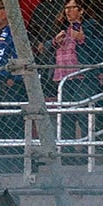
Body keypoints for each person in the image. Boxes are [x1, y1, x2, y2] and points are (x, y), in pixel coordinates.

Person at [44, 0, 103, 164]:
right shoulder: (61, 26)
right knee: (66, 118)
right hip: (63, 78)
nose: (68, 11)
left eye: (73, 8)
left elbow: (99, 48)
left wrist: (83, 39)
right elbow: (45, 46)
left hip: (83, 77)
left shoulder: (90, 25)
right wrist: (55, 42)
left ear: (81, 10)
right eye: (66, 8)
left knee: (85, 116)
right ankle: (67, 155)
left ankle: (87, 153)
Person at [0, 0, 26, 172]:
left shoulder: (15, 32)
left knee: (12, 125)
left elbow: (20, 56)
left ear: (8, 12)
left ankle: (14, 165)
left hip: (9, 85)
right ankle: (1, 164)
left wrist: (12, 79)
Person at [30, 0, 68, 98]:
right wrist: (37, 42)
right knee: (45, 76)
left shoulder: (64, 5)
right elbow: (32, 29)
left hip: (61, 47)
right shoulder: (41, 6)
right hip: (44, 47)